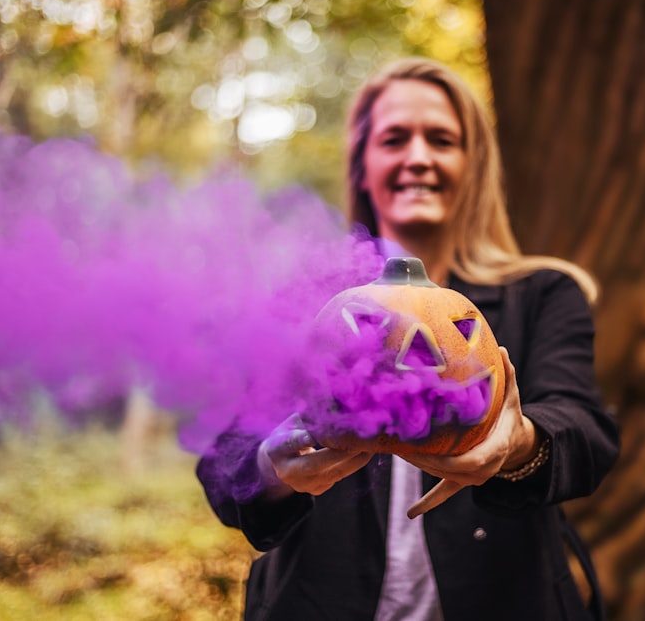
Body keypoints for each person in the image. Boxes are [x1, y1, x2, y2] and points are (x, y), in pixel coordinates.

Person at [196, 57, 620, 620]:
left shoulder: (540, 293)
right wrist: (273, 470)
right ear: (363, 165)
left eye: (441, 139)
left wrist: (518, 442)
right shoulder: (301, 301)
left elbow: (586, 431)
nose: (418, 157)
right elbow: (224, 460)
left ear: (473, 164)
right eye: (395, 138)